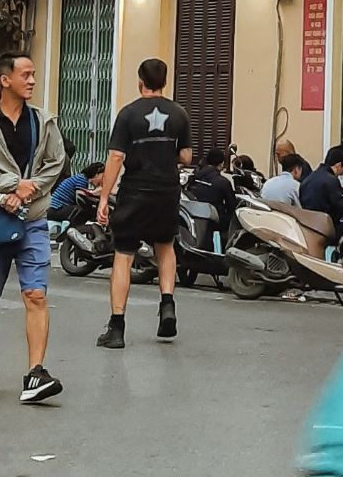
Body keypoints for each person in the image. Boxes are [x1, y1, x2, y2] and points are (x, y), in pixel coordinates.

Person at [0, 52, 66, 405]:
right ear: (5, 80)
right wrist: (7, 186)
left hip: (33, 218)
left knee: (36, 294)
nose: (32, 81)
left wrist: (30, 187)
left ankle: (35, 371)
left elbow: (56, 162)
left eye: (34, 74)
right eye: (26, 75)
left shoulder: (43, 121)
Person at [95, 57, 191, 348]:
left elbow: (115, 157)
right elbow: (186, 157)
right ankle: (167, 304)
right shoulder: (179, 114)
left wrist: (103, 196)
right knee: (165, 246)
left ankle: (117, 326)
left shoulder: (128, 114)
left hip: (135, 190)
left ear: (140, 81)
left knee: (123, 254)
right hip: (167, 190)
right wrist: (166, 156)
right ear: (164, 81)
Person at [299, 145, 343, 244]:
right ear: (338, 166)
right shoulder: (331, 180)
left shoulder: (309, 178)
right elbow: (339, 205)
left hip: (308, 225)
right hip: (324, 227)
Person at [186, 148, 238, 244]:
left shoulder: (193, 177)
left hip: (193, 217)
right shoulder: (223, 182)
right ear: (221, 163)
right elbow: (232, 206)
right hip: (214, 221)